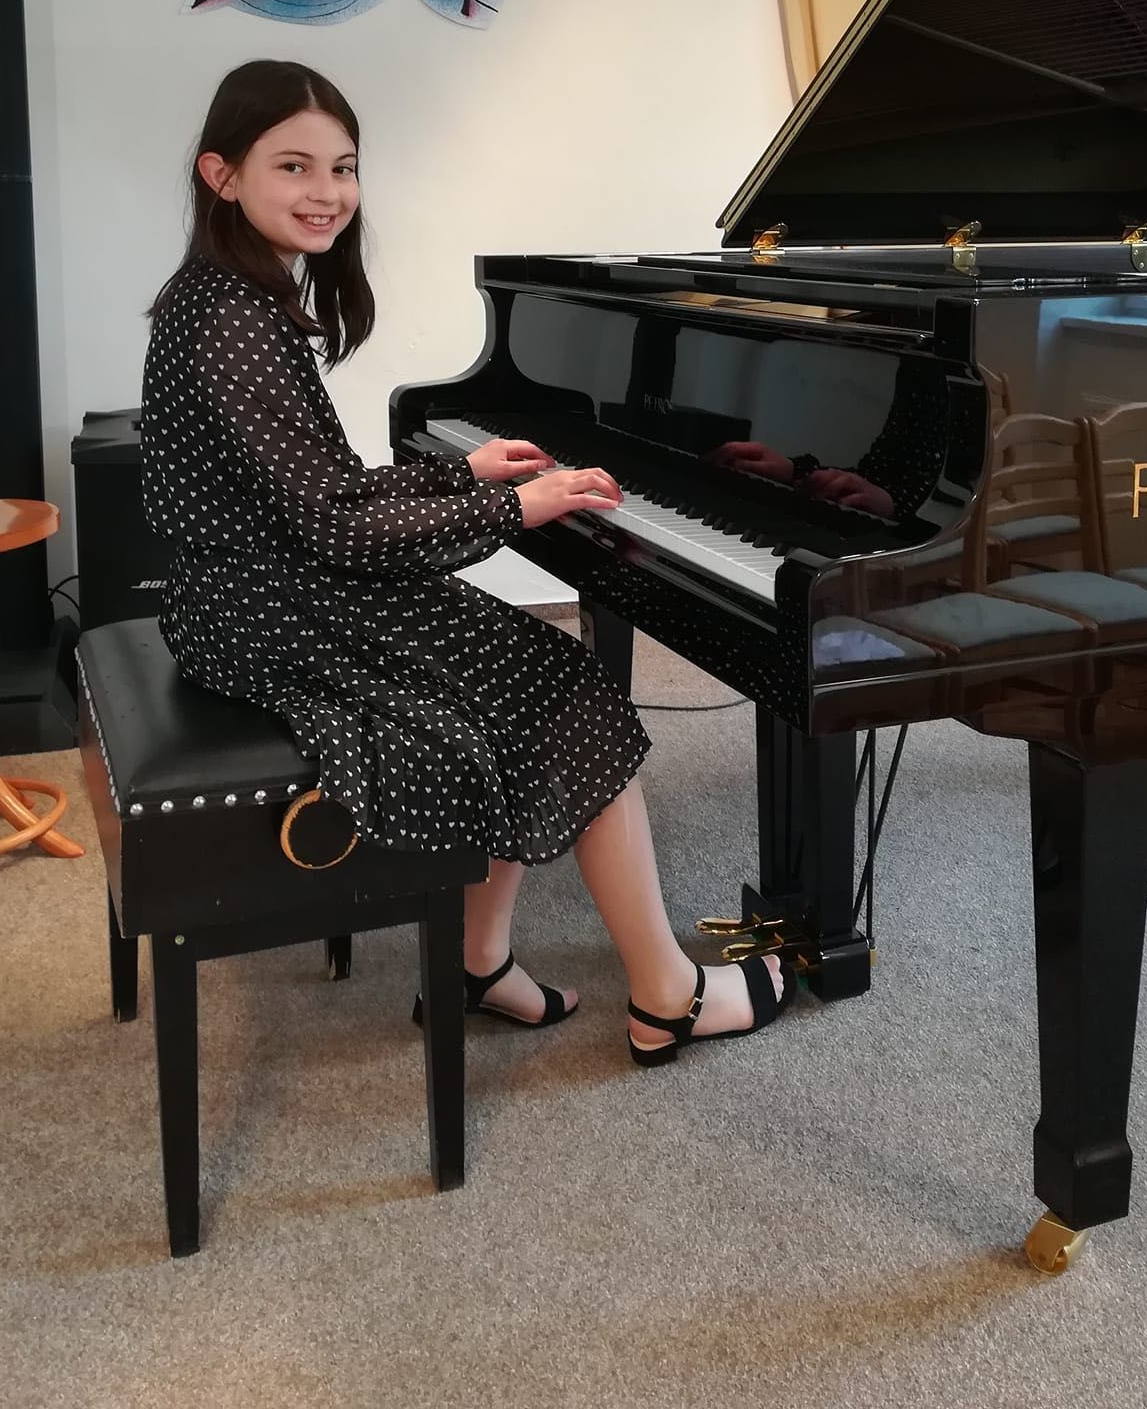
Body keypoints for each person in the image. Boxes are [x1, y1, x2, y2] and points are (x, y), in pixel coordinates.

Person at [140, 59, 787, 1061]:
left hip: (253, 587)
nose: (328, 192)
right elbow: (332, 525)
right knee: (565, 687)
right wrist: (511, 505)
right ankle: (668, 993)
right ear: (221, 174)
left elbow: (311, 489)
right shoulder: (234, 317)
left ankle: (476, 963)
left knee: (526, 669)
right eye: (294, 166)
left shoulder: (228, 294)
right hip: (267, 609)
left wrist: (463, 474)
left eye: (344, 167)